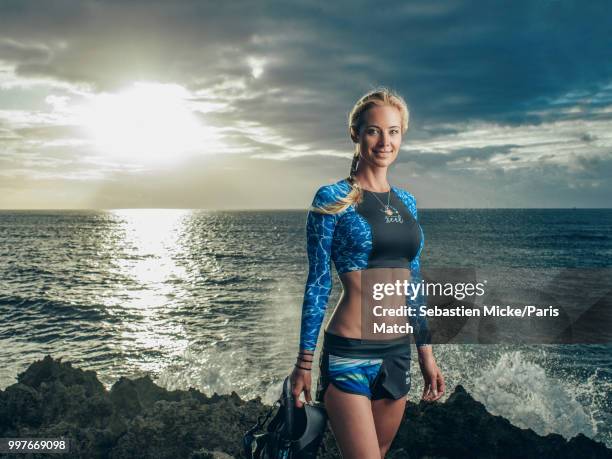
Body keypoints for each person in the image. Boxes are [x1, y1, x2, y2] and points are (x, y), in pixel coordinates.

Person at [290, 87, 445, 458]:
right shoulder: (333, 198)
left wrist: (426, 352)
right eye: (374, 130)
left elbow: (414, 281)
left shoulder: (407, 202)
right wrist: (304, 363)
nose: (384, 141)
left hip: (397, 353)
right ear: (356, 133)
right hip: (349, 353)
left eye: (393, 131)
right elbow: (318, 282)